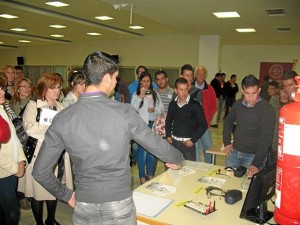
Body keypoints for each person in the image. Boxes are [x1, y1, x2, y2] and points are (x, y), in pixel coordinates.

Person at [32, 51, 184, 225]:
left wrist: (67, 195)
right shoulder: (124, 113)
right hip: (118, 204)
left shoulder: (63, 118)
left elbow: (40, 172)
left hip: (84, 204)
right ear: (106, 78)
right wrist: (177, 159)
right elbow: (158, 146)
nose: (116, 82)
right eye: (115, 77)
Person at [19, 72, 73, 225]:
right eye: (52, 88)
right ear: (44, 88)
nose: (57, 91)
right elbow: (30, 128)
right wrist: (53, 130)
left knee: (53, 190)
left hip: (59, 155)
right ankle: (39, 223)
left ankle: (51, 219)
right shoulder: (33, 105)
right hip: (39, 153)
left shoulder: (61, 107)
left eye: (58, 87)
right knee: (38, 193)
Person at [223, 75, 275, 177]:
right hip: (235, 152)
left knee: (248, 188)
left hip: (254, 156)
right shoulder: (237, 105)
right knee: (228, 182)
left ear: (259, 90)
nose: (251, 97)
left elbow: (266, 139)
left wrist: (256, 163)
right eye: (247, 94)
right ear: (242, 91)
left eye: (254, 93)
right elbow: (228, 121)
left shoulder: (267, 110)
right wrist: (227, 142)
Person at [0, 75, 27, 225]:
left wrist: (21, 160)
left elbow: (14, 138)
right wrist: (14, 167)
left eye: (2, 88)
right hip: (3, 172)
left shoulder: (2, 108)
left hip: (11, 170)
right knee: (11, 213)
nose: (2, 92)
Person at [131, 71, 164, 184]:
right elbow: (133, 109)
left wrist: (154, 110)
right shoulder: (136, 94)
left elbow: (161, 109)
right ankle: (141, 175)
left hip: (153, 125)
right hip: (141, 126)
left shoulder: (155, 93)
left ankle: (150, 174)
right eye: (143, 81)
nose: (146, 83)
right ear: (140, 82)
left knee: (151, 151)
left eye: (148, 81)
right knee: (142, 151)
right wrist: (140, 96)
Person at [166, 77, 208, 161]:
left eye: (186, 89)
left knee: (189, 170)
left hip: (188, 144)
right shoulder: (172, 104)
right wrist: (168, 135)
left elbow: (203, 125)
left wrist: (193, 140)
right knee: (173, 168)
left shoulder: (195, 105)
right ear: (176, 90)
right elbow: (168, 120)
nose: (184, 92)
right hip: (174, 143)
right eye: (181, 90)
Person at [10, 78, 33, 210]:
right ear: (18, 88)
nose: (27, 89)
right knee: (18, 166)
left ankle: (25, 193)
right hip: (17, 139)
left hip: (30, 138)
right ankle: (20, 196)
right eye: (23, 86)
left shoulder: (34, 102)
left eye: (29, 86)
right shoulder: (11, 104)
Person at [192, 66, 217, 163]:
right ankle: (197, 170)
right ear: (195, 75)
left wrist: (207, 118)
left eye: (203, 74)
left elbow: (213, 106)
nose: (201, 76)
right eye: (199, 74)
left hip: (204, 125)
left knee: (209, 147)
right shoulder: (190, 88)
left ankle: (210, 168)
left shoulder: (210, 89)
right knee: (195, 149)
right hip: (192, 126)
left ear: (205, 75)